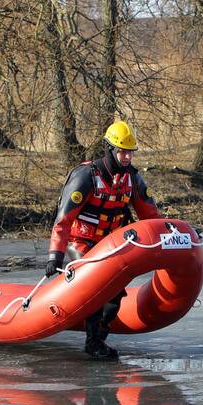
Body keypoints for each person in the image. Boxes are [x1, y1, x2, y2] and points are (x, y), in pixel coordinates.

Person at [47, 120, 161, 360]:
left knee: (116, 292)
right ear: (110, 149)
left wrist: (165, 241)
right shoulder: (86, 176)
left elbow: (150, 216)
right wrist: (54, 256)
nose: (127, 157)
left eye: (130, 152)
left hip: (111, 244)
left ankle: (98, 337)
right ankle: (93, 343)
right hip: (80, 241)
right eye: (123, 151)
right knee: (100, 282)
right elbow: (63, 220)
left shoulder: (132, 179)